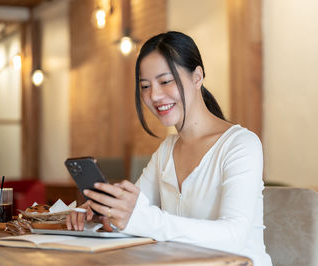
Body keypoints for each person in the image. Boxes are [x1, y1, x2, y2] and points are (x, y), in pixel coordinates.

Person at [66, 31, 272, 266]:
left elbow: (234, 237)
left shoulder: (241, 145)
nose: (154, 95)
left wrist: (139, 217)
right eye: (145, 86)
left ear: (197, 77)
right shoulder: (166, 150)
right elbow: (136, 217)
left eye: (165, 81)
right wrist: (106, 212)